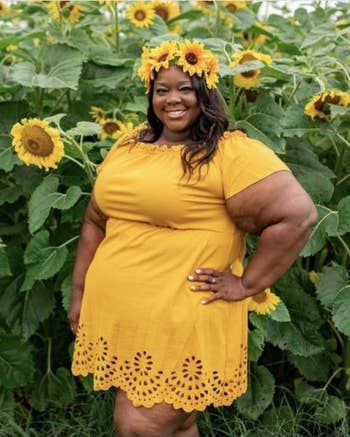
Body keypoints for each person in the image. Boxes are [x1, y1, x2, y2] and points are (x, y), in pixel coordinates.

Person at [70, 40, 318, 437]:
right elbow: (96, 220)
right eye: (162, 89)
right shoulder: (130, 145)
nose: (173, 99)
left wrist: (248, 284)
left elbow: (298, 216)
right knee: (173, 425)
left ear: (206, 92)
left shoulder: (228, 152)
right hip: (124, 319)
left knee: (139, 426)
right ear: (150, 94)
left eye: (185, 88)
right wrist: (80, 293)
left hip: (181, 318)